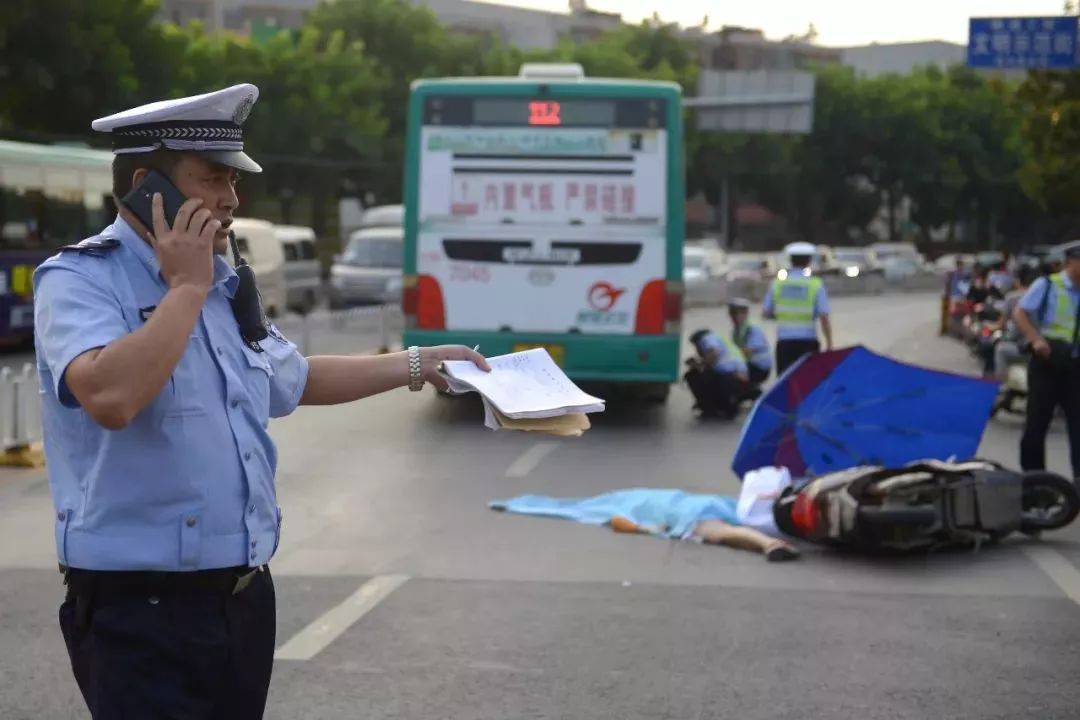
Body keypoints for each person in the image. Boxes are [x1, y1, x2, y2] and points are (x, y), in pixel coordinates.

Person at [33, 84, 490, 720]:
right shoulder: (81, 279)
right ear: (147, 186)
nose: (231, 199)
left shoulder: (224, 284)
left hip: (241, 600)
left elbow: (291, 378)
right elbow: (110, 396)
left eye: (234, 180)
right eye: (214, 178)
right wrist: (184, 289)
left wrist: (417, 364)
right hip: (140, 609)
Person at [1012, 240, 1080, 482]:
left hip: (1076, 367)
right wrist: (1036, 340)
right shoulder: (1049, 285)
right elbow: (1020, 312)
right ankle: (1035, 482)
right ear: (1071, 262)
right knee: (1036, 426)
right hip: (1048, 362)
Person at [762, 241, 833, 375]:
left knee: (786, 383)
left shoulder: (777, 284)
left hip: (784, 342)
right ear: (809, 261)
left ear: (790, 260)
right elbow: (824, 316)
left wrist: (782, 316)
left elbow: (766, 313)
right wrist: (829, 343)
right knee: (808, 383)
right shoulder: (815, 284)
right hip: (808, 342)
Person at [684, 328, 757, 419]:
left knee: (692, 376)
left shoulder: (707, 338)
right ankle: (723, 405)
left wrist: (698, 364)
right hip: (738, 375)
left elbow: (713, 353)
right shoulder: (719, 338)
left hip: (730, 376)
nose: (696, 350)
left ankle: (709, 406)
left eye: (696, 346)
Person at [728, 297, 771, 386]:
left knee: (727, 374)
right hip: (749, 364)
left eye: (737, 313)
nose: (734, 316)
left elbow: (748, 351)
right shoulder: (737, 330)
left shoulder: (752, 328)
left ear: (746, 313)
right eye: (732, 313)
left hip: (759, 367)